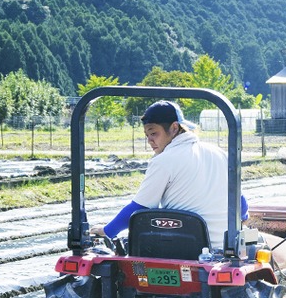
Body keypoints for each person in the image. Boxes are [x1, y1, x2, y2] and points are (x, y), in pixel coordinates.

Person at [100, 100, 241, 248]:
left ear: (174, 128)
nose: (150, 140)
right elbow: (241, 203)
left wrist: (107, 231)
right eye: (147, 135)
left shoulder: (164, 161)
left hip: (184, 249)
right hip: (226, 249)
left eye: (154, 133)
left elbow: (140, 207)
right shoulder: (220, 153)